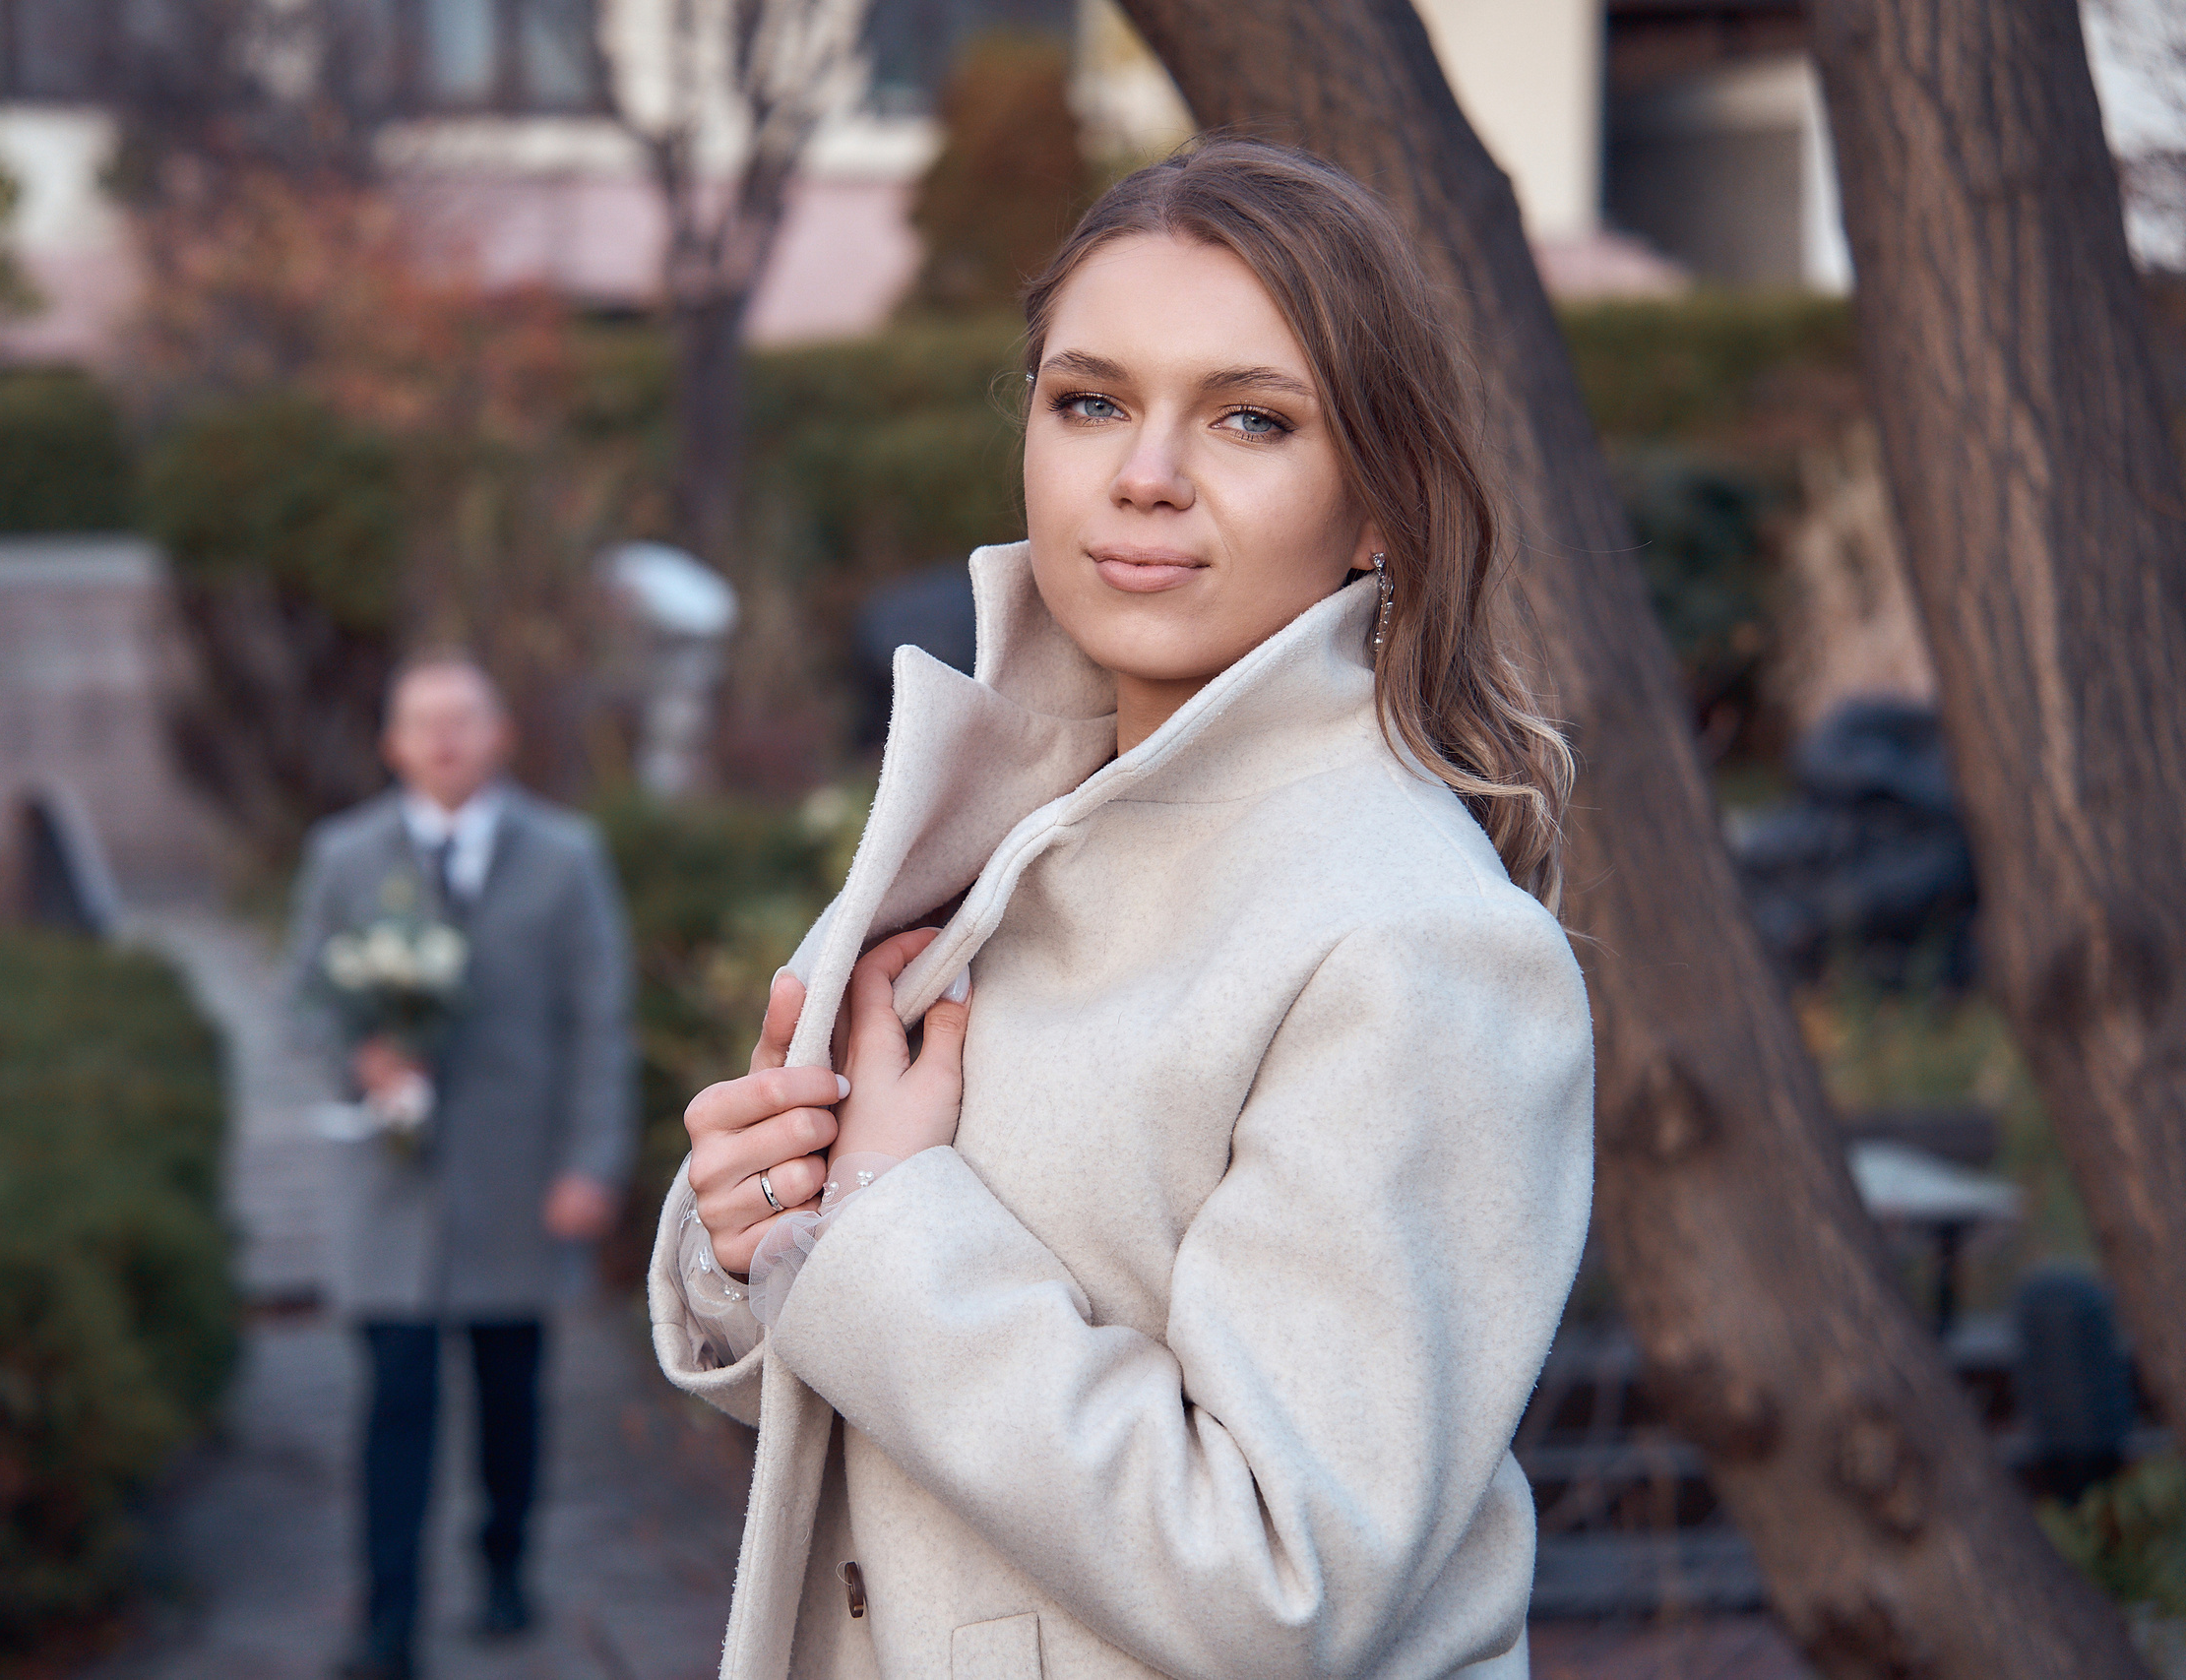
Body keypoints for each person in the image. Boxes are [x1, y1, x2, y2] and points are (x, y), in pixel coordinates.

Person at [647, 138, 1595, 1678]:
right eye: (1090, 400)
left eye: (1250, 417)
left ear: (1378, 501)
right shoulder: (980, 833)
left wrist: (880, 1220)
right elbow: (896, 1430)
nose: (1145, 472)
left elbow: (1279, 1579)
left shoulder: (1413, 936)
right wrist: (764, 1228)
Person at [285, 653, 637, 1679]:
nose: (443, 737)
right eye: (422, 721)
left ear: (500, 735)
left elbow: (598, 1021)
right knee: (394, 1401)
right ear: (392, 743)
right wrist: (361, 1056)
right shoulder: (343, 855)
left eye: (463, 718)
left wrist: (591, 1163)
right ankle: (387, 1619)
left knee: (508, 1391)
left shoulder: (565, 856)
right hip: (390, 1188)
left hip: (517, 1179)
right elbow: (303, 997)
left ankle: (505, 1564)